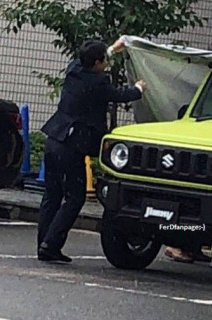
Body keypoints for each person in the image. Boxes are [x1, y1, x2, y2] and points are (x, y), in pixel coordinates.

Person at [37, 39, 147, 263]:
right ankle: (50, 244)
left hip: (54, 138)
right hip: (72, 146)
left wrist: (112, 49)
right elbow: (121, 95)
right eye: (105, 60)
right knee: (75, 197)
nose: (107, 63)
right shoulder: (97, 83)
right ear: (97, 63)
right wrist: (139, 89)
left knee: (52, 195)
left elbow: (85, 59)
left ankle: (44, 243)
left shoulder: (74, 69)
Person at [164, 40, 212, 264]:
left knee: (194, 209)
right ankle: (176, 244)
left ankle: (191, 247)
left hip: (206, 154)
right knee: (187, 205)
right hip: (198, 154)